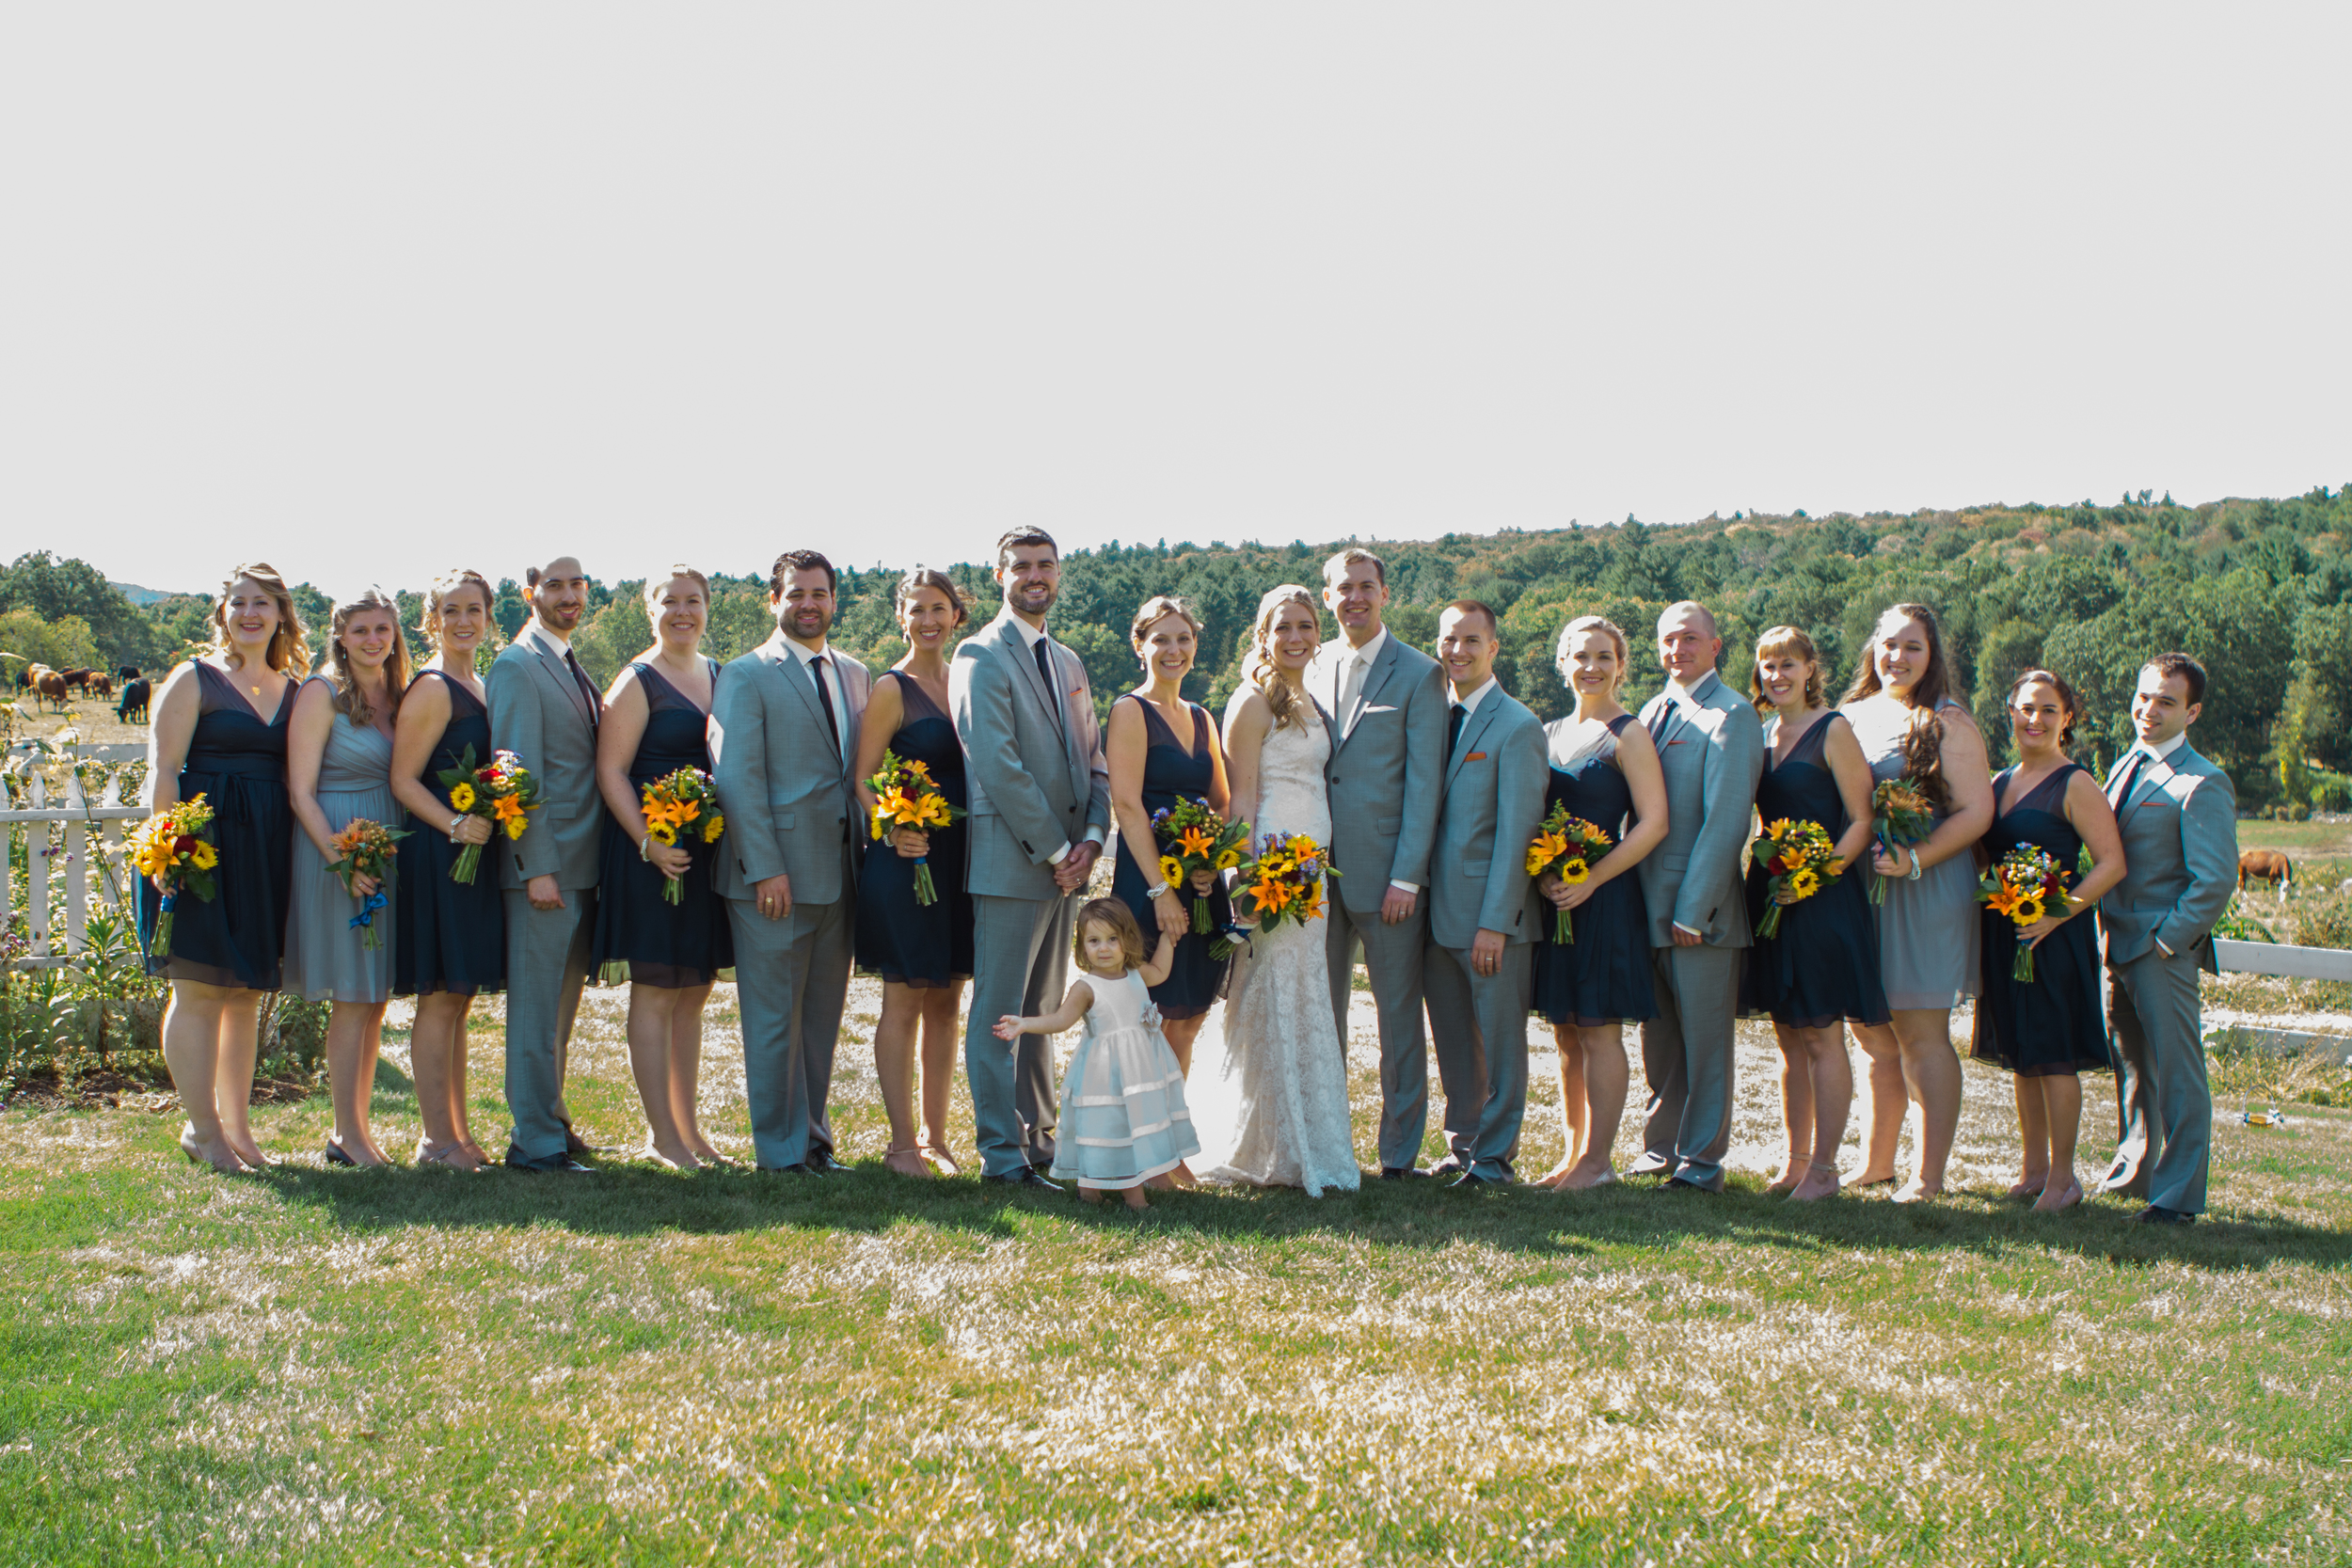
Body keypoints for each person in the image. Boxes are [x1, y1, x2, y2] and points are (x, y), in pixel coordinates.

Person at [952, 529, 1110, 1188]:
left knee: (1043, 1005)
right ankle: (1000, 1152)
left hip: (1069, 865)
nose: (1034, 575)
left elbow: (1094, 761)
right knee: (1002, 1009)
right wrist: (1055, 848)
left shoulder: (1068, 661)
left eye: (1045, 564)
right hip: (1016, 861)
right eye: (1021, 566)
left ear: (1058, 572)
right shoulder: (979, 653)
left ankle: (1038, 1137)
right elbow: (998, 763)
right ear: (1000, 576)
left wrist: (1093, 841)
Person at [138, 564, 306, 1173]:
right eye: (239, 603)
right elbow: (163, 770)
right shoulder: (195, 678)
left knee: (243, 996)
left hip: (263, 852)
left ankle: (238, 1130)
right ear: (223, 613)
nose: (250, 613)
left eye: (262, 602)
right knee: (199, 988)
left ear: (281, 613)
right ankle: (201, 1129)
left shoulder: (292, 688)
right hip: (198, 852)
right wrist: (168, 848)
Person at [711, 549, 871, 1175]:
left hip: (840, 874)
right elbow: (737, 776)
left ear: (835, 599)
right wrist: (763, 866)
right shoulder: (746, 675)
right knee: (774, 1020)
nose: (809, 603)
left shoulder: (855, 673)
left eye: (820, 593)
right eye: (796, 592)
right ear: (772, 600)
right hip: (771, 879)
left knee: (821, 1021)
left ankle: (813, 1140)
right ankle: (779, 1152)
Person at [1197, 585, 1359, 1195]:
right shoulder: (1253, 701)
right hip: (1273, 875)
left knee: (1302, 998)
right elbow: (1240, 797)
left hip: (1313, 876)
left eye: (1305, 625)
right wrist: (1247, 877)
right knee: (1267, 998)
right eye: (1283, 626)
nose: (1295, 636)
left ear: (1318, 633)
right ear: (1263, 634)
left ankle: (1301, 1142)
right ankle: (1266, 1146)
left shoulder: (1311, 698)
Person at [1841, 603, 1994, 1202]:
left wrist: (1916, 858)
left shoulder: (1948, 721)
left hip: (1922, 886)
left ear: (1932, 656)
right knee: (1871, 1033)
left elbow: (1978, 812)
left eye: (1912, 647)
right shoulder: (1849, 716)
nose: (1896, 658)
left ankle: (1928, 1177)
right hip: (1860, 886)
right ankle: (1875, 1162)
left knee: (1920, 1032)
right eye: (1888, 645)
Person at [1311, 548, 1448, 1179]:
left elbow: (1425, 786)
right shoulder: (1311, 665)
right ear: (1328, 595)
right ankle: (1326, 1141)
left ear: (1385, 593)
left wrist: (1406, 875)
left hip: (1385, 874)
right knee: (1320, 1013)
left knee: (1397, 1020)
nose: (1355, 598)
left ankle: (1398, 1152)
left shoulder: (1420, 673)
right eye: (1344, 588)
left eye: (1366, 586)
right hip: (1312, 875)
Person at [592, 566, 733, 1170]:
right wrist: (649, 843)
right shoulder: (636, 681)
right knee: (655, 990)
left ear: (707, 609)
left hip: (702, 854)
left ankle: (689, 1129)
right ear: (651, 610)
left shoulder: (721, 676)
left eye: (693, 601)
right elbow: (610, 771)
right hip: (649, 855)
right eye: (670, 601)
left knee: (694, 990)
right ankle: (661, 1136)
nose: (683, 611)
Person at [1971, 670, 2126, 1213]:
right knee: (2023, 1054)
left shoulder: (2076, 783)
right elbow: (1984, 856)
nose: (2034, 719)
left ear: (2067, 719)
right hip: (2005, 932)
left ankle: (2065, 1179)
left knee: (2054, 1056)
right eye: (2025, 708)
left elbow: (2110, 864)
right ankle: (2033, 1169)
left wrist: (2056, 915)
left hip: (2054, 937)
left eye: (2047, 710)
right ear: (2008, 712)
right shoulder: (1995, 782)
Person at [1741, 627, 1887, 1202]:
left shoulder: (1834, 729)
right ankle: (1795, 1161)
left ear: (1810, 669)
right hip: (1770, 894)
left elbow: (1862, 817)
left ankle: (1826, 1170)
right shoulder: (1761, 734)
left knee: (1823, 1034)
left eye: (1787, 665)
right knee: (1788, 1037)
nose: (1776, 675)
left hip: (1823, 897)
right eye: (1767, 666)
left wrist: (1815, 876)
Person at [2096, 653, 2236, 1224]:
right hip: (2112, 942)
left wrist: (2166, 940)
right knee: (2132, 1068)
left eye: (2166, 701)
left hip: (2159, 950)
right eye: (2144, 695)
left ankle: (2176, 1200)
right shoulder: (2125, 764)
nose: (2148, 709)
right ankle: (2136, 1170)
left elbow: (2215, 880)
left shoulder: (2203, 781)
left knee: (2178, 1075)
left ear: (2192, 711)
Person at [1631, 602, 1765, 1193]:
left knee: (1705, 1044)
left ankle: (1701, 1161)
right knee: (1658, 1040)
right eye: (1667, 641)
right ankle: (1660, 1150)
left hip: (1697, 913)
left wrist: (1695, 907)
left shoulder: (1733, 715)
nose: (1677, 650)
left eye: (1690, 639)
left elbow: (1728, 821)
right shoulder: (1651, 710)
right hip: (1644, 904)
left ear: (1715, 646)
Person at [1531, 616, 1665, 1192]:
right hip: (1557, 898)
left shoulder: (1628, 734)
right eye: (1580, 656)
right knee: (1565, 1029)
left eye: (1604, 657)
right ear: (1562, 664)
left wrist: (1593, 879)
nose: (1592, 667)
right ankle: (1573, 1154)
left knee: (1599, 1027)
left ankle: (1599, 1161)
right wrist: (1543, 875)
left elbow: (1655, 823)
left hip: (1606, 898)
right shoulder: (1547, 732)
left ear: (1621, 665)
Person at [851, 567, 977, 1177]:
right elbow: (862, 777)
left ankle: (938, 1136)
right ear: (901, 616)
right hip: (907, 859)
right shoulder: (890, 689)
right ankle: (901, 1143)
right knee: (904, 997)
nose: (929, 619)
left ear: (957, 615)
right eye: (917, 609)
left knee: (948, 1000)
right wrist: (892, 823)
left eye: (939, 608)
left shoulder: (968, 682)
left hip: (961, 860)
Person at [1420, 600, 1547, 1188]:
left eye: (1472, 641)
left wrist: (1496, 921)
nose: (1459, 651)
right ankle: (1463, 1144)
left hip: (1491, 920)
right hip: (1434, 918)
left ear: (1494, 648)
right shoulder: (1432, 715)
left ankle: (1494, 1158)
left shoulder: (1516, 725)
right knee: (1452, 1043)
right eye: (1450, 640)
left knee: (1499, 1044)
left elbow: (1518, 833)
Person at [487, 555, 605, 1174]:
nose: (567, 595)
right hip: (545, 868)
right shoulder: (516, 665)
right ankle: (533, 1140)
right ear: (529, 590)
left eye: (576, 584)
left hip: (582, 863)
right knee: (535, 1007)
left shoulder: (566, 660)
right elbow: (515, 772)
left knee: (560, 1008)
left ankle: (552, 1116)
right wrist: (535, 864)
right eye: (554, 584)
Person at [284, 588, 408, 1167]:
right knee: (353, 997)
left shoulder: (396, 692)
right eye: (360, 631)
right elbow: (300, 791)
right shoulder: (321, 692)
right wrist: (341, 861)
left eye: (382, 630)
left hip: (386, 847)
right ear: (340, 635)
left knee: (375, 995)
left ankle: (356, 1132)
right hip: (337, 848)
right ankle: (345, 1134)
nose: (373, 640)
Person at [391, 569, 504, 1171]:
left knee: (459, 995)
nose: (464, 621)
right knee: (439, 996)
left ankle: (458, 1134)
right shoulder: (433, 688)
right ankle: (435, 1140)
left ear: (488, 616)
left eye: (475, 610)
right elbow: (402, 779)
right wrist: (457, 827)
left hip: (475, 851)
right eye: (451, 610)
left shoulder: (481, 684)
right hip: (441, 854)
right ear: (431, 620)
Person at [994, 897, 1201, 1209]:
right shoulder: (1086, 987)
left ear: (1127, 940)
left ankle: (1092, 1193)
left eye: (1112, 939)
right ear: (1082, 946)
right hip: (1106, 1076)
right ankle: (1132, 1199)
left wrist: (1167, 938)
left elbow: (1159, 971)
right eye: (1094, 941)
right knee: (1107, 1129)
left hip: (1138, 1071)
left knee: (1133, 1127)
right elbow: (1061, 1020)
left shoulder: (1135, 973)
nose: (1103, 948)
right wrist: (1024, 1024)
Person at [1106, 594, 1232, 1078]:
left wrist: (1209, 864)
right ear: (1140, 645)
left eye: (1183, 638)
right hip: (1148, 882)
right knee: (1149, 1018)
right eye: (1161, 639)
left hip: (1199, 884)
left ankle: (1172, 1140)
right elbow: (1127, 805)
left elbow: (1220, 801)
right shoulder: (1131, 711)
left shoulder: (1203, 718)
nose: (1173, 649)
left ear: (1196, 645)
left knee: (1189, 1018)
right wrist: (1160, 890)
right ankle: (1141, 1142)